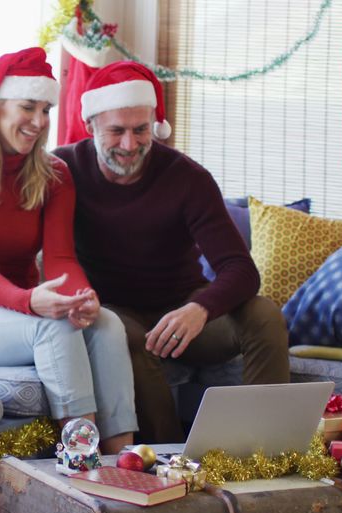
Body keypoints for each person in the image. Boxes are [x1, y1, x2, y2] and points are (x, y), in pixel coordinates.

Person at [0, 48, 137, 454]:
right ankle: (84, 457)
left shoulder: (53, 174)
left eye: (46, 109)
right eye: (27, 107)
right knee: (54, 324)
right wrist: (31, 301)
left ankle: (124, 460)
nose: (39, 121)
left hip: (13, 309)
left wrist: (82, 298)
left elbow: (62, 259)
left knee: (106, 324)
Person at [52, 61, 290, 444]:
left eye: (140, 130)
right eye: (116, 131)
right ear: (91, 126)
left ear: (155, 126)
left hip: (182, 309)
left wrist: (200, 309)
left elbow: (241, 270)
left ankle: (267, 452)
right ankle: (169, 466)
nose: (130, 145)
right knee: (122, 335)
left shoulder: (187, 178)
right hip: (110, 308)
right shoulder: (63, 168)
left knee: (264, 313)